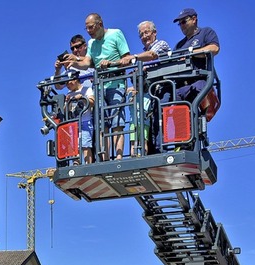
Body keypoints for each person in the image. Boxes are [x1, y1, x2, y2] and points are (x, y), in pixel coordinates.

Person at [67, 13, 130, 160]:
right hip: (99, 86)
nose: (88, 31)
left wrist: (111, 63)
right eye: (86, 28)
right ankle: (105, 158)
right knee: (102, 123)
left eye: (91, 27)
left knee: (117, 122)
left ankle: (119, 157)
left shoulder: (116, 34)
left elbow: (128, 58)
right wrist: (73, 62)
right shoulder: (91, 43)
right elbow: (86, 63)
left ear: (99, 24)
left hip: (117, 82)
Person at [124, 21, 172, 155]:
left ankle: (160, 151)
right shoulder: (142, 54)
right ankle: (149, 152)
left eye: (146, 33)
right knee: (147, 123)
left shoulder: (161, 44)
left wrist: (133, 58)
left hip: (162, 90)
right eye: (141, 35)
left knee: (159, 120)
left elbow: (152, 55)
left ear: (154, 33)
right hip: (147, 93)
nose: (144, 36)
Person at [172, 8, 220, 102]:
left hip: (200, 80)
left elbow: (214, 48)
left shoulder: (206, 32)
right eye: (180, 24)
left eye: (184, 22)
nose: (182, 26)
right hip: (181, 84)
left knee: (194, 92)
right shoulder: (179, 45)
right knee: (168, 98)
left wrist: (191, 53)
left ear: (194, 19)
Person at [65, 73, 95, 163]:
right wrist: (67, 102)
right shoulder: (69, 94)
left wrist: (82, 98)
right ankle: (76, 162)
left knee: (86, 145)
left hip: (85, 121)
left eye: (68, 83)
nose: (67, 85)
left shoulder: (87, 89)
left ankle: (87, 164)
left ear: (74, 80)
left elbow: (92, 101)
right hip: (74, 122)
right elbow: (66, 110)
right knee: (73, 145)